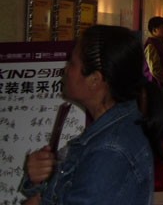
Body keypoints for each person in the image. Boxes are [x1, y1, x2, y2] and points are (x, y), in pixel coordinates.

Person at [20, 25, 154, 204]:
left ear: (94, 80)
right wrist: (40, 178)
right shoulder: (110, 133)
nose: (66, 70)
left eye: (72, 63)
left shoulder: (109, 150)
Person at [143, 16, 163, 162]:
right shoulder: (151, 45)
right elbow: (155, 70)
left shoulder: (162, 43)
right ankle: (156, 151)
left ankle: (161, 150)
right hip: (156, 87)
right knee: (159, 118)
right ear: (154, 30)